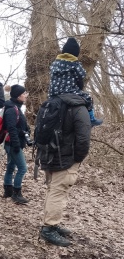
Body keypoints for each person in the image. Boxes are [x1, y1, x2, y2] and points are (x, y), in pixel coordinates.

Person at [37, 90, 91, 246]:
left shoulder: (52, 102)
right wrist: (78, 158)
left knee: (52, 190)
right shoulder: (78, 107)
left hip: (47, 154)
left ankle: (51, 224)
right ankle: (48, 229)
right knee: (58, 193)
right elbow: (83, 138)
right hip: (66, 158)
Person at [48, 37, 103, 126]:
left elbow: (52, 75)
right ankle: (91, 119)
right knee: (88, 97)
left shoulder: (55, 63)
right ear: (76, 53)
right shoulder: (75, 64)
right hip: (69, 92)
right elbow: (82, 75)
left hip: (53, 93)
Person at [2, 85, 32, 204]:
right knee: (22, 168)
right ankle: (16, 193)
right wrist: (16, 145)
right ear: (19, 96)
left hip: (13, 142)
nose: (26, 96)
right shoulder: (11, 109)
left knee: (11, 167)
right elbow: (11, 128)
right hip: (13, 143)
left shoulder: (15, 107)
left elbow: (18, 127)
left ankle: (8, 189)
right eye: (24, 94)